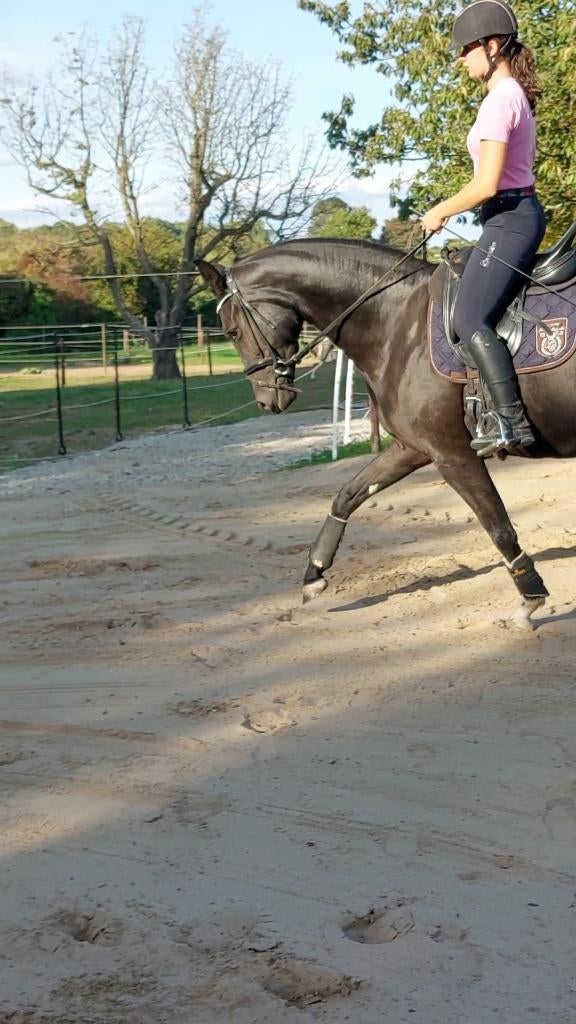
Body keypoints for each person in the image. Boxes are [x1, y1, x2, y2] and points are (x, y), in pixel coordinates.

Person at [421, 0, 546, 457]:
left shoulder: (500, 100)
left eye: (466, 48)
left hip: (510, 219)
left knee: (469, 318)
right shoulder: (507, 96)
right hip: (505, 217)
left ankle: (512, 422)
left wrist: (440, 210)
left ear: (492, 46)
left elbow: (487, 183)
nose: (461, 58)